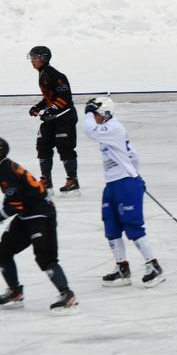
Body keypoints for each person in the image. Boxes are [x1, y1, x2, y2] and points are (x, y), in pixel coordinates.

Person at [80, 96, 164, 288]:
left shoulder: (113, 128)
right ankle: (122, 268)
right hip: (113, 184)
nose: (93, 118)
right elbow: (133, 154)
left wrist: (133, 177)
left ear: (105, 114)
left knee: (132, 226)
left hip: (125, 183)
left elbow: (90, 132)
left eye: (95, 114)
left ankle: (154, 265)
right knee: (111, 226)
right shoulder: (108, 130)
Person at [0, 137, 77, 313]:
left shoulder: (5, 171)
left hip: (42, 215)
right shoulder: (4, 167)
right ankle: (15, 291)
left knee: (45, 256)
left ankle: (67, 295)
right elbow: (14, 200)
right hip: (26, 215)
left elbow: (14, 205)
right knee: (3, 251)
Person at [27, 45, 79, 193]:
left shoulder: (56, 75)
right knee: (43, 144)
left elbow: (65, 97)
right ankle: (46, 180)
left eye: (34, 57)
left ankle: (72, 180)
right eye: (31, 57)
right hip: (52, 117)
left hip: (65, 117)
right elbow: (50, 97)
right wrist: (38, 107)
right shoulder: (42, 73)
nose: (32, 61)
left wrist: (53, 109)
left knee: (65, 147)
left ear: (43, 58)